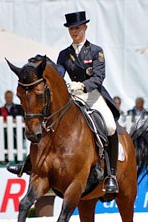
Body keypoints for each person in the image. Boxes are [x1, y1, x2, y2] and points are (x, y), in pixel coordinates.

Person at [7, 11, 120, 193]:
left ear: (85, 28)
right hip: (72, 96)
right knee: (46, 123)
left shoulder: (96, 51)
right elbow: (59, 74)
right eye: (71, 29)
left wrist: (82, 86)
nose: (74, 32)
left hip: (92, 95)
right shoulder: (64, 54)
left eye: (77, 28)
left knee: (110, 126)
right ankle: (28, 163)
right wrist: (41, 65)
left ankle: (111, 175)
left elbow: (99, 77)